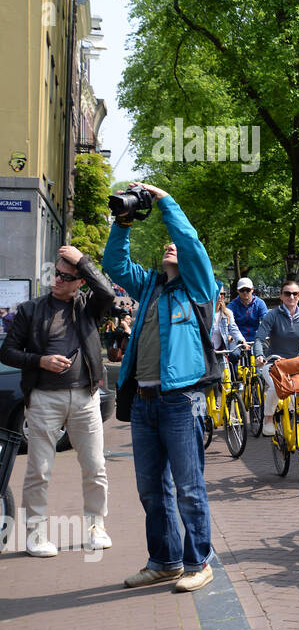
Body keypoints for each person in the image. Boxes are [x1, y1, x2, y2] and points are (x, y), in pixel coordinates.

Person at [103, 183, 222, 592]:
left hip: (181, 400)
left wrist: (166, 202)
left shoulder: (199, 290)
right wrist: (124, 221)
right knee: (152, 490)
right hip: (143, 400)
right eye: (167, 246)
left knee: (188, 488)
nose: (172, 247)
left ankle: (199, 562)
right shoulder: (150, 286)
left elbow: (191, 244)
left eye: (176, 246)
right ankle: (165, 561)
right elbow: (114, 264)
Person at [0, 245, 115, 556]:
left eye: (67, 276)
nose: (57, 280)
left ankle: (96, 527)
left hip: (84, 397)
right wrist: (40, 361)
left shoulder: (89, 307)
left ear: (80, 281)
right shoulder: (30, 310)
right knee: (39, 469)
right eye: (56, 274)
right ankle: (35, 535)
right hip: (44, 399)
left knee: (95, 466)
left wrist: (83, 261)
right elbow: (6, 351)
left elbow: (107, 291)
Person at [254, 279, 299, 434]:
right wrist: (260, 355)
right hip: (273, 362)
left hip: (295, 363)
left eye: (295, 293)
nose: (291, 297)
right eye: (287, 293)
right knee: (276, 387)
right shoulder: (272, 315)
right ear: (281, 296)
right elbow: (259, 339)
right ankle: (268, 417)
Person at [211, 287, 248, 380]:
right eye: (217, 293)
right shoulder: (204, 314)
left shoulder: (227, 313)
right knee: (209, 384)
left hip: (221, 352)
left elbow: (233, 328)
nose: (220, 296)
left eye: (222, 294)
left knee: (226, 380)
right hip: (208, 353)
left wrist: (242, 340)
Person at [229, 277, 268, 347]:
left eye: (248, 290)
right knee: (234, 355)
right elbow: (227, 323)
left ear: (252, 290)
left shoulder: (260, 303)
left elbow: (266, 320)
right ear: (237, 291)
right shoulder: (232, 306)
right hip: (238, 340)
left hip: (256, 339)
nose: (245, 292)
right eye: (242, 290)